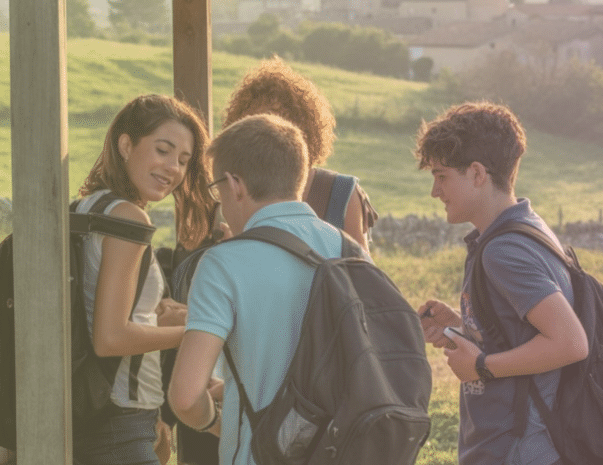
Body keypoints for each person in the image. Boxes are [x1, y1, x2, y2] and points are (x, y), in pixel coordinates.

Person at [168, 114, 360, 465]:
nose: (222, 205)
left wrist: (219, 424)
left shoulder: (222, 263)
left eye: (218, 190)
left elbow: (185, 396)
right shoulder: (349, 250)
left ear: (235, 185)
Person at [414, 102, 588, 465]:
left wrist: (480, 366)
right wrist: (461, 329)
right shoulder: (524, 228)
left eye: (442, 175)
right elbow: (520, 335)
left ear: (477, 174)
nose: (434, 191)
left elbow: (570, 342)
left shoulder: (504, 251)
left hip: (519, 450)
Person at [74, 94, 217, 465]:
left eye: (184, 161)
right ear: (126, 145)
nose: (173, 168)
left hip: (100, 414)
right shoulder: (128, 220)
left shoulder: (90, 207)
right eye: (163, 150)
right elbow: (110, 337)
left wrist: (158, 316)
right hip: (119, 422)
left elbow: (96, 310)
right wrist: (201, 330)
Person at [222, 56, 378, 253]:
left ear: (304, 128)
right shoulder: (234, 189)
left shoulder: (340, 192)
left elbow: (360, 274)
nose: (271, 132)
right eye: (258, 122)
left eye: (281, 120)